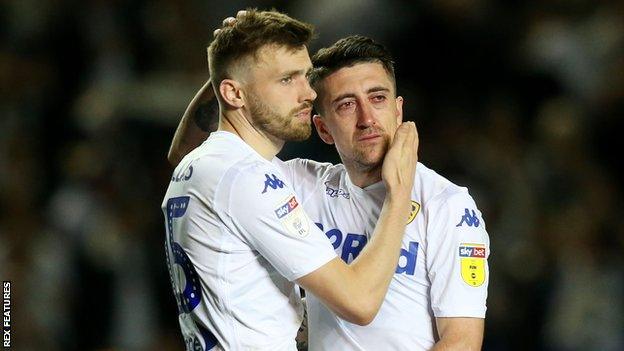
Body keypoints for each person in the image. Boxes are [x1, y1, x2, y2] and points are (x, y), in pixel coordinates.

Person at [169, 26, 490, 350]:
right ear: (322, 128)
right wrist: (233, 64)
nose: (367, 118)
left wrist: (232, 73)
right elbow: (202, 156)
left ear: (398, 109)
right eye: (346, 105)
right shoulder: (299, 184)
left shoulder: (447, 205)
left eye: (378, 98)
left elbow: (461, 343)